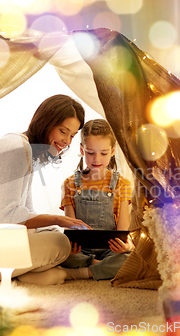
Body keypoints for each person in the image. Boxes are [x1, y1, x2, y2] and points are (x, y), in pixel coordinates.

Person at [0, 94, 91, 285]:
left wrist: (55, 228)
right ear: (46, 122)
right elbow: (8, 218)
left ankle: (23, 275)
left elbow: (27, 211)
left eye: (72, 135)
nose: (67, 141)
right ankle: (70, 273)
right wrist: (58, 219)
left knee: (58, 237)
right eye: (63, 131)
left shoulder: (24, 149)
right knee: (60, 244)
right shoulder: (18, 150)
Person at [59, 119, 133, 280]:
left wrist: (125, 245)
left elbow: (123, 227)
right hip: (81, 250)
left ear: (113, 151)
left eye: (103, 153)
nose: (96, 159)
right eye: (90, 152)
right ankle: (97, 266)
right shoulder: (69, 183)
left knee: (128, 258)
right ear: (81, 149)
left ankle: (84, 271)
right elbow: (70, 225)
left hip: (110, 249)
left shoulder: (122, 184)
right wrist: (70, 246)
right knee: (61, 254)